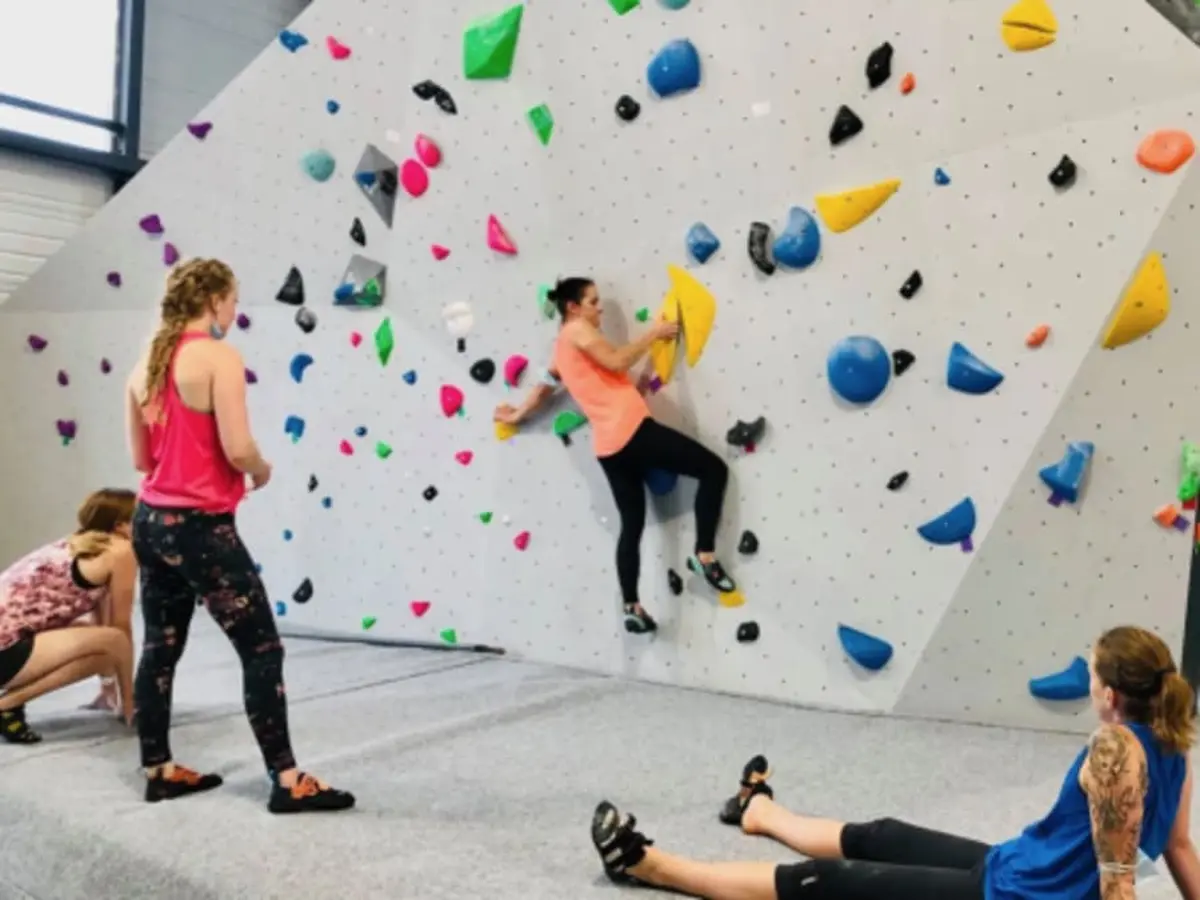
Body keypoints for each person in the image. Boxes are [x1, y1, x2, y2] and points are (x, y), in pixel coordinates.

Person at [590, 624, 1200, 900]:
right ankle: (761, 812)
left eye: (1090, 674)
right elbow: (1178, 846)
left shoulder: (1116, 750)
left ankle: (649, 867)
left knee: (824, 882)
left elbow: (1118, 884)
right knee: (883, 835)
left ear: (1110, 694)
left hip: (1015, 896)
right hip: (1017, 867)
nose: (1087, 683)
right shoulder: (1174, 739)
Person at [124, 257, 354, 814]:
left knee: (159, 648)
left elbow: (141, 460)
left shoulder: (144, 367)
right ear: (213, 300)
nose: (233, 310)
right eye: (232, 300)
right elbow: (238, 447)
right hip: (200, 529)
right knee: (262, 648)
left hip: (150, 523)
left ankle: (158, 769)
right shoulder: (218, 357)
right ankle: (287, 780)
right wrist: (260, 469)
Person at [495, 277, 736, 634]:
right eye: (593, 302)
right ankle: (705, 556)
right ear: (572, 308)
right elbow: (617, 361)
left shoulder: (561, 348)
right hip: (633, 431)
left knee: (631, 527)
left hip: (609, 449)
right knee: (714, 470)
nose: (600, 309)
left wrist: (517, 415)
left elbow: (544, 388)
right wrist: (654, 333)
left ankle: (632, 607)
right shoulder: (578, 330)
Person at [0, 488, 138, 743]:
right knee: (115, 640)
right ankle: (7, 704)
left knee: (99, 641)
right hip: (6, 648)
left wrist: (108, 688)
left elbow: (100, 619)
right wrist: (130, 704)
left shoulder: (83, 544)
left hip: (8, 643)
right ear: (120, 525)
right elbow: (121, 627)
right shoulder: (121, 551)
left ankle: (109, 699)